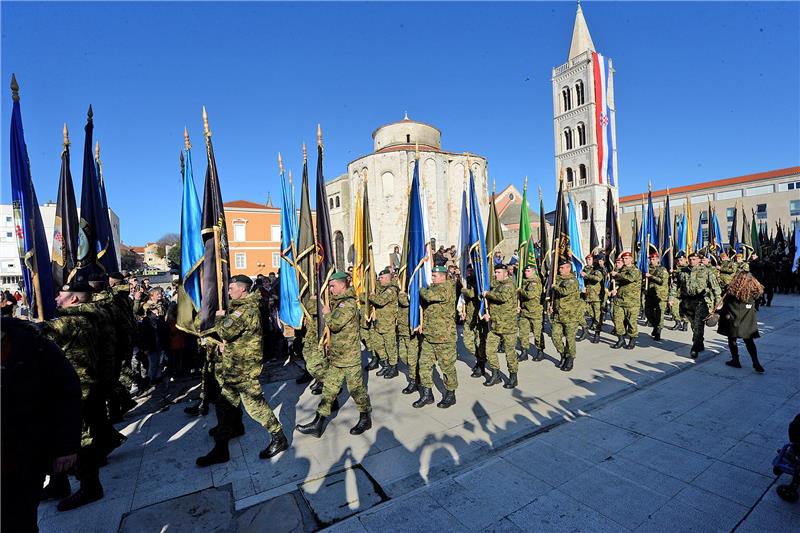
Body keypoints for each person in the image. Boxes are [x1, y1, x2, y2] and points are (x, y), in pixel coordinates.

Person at [40, 282, 119, 511]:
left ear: (73, 299)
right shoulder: (95, 317)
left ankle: (90, 487)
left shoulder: (71, 322)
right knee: (68, 438)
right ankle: (59, 482)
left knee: (79, 441)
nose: (55, 298)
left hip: (76, 392)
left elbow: (35, 334)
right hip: (87, 386)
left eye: (60, 295)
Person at [196, 275, 288, 467]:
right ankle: (225, 441)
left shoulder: (245, 310)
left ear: (243, 289)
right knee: (224, 403)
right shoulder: (240, 307)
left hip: (244, 368)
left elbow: (225, 331)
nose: (228, 291)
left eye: (231, 288)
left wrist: (220, 317)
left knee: (255, 407)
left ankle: (279, 437)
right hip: (234, 365)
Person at [2, 316, 82, 532]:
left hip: (18, 460)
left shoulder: (29, 343)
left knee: (17, 523)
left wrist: (66, 447)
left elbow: (66, 393)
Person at [296, 272, 372, 438]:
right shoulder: (338, 302)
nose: (330, 289)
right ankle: (318, 423)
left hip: (349, 357)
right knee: (329, 390)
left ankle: (365, 417)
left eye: (332, 286)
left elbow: (335, 324)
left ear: (343, 285)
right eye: (329, 286)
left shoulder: (349, 304)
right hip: (337, 357)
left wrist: (326, 313)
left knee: (356, 390)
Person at [414, 265, 458, 408]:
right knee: (424, 365)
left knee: (447, 367)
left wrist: (419, 287)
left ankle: (450, 394)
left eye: (434, 276)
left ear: (443, 276)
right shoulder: (434, 288)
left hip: (444, 338)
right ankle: (427, 395)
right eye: (431, 275)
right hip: (429, 336)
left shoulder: (447, 287)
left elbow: (428, 296)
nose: (431, 278)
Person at [676, 252, 722, 358]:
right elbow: (676, 285)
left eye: (694, 259)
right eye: (690, 259)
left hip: (701, 302)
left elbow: (715, 287)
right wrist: (671, 298)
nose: (692, 261)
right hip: (687, 302)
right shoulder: (683, 271)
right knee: (693, 325)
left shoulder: (706, 271)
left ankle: (695, 347)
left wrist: (718, 301)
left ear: (698, 260)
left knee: (697, 325)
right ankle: (700, 342)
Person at [717, 272, 765, 373]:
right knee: (749, 341)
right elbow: (758, 298)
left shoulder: (730, 289)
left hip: (732, 317)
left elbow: (723, 297)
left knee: (732, 339)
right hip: (747, 318)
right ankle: (755, 362)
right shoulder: (755, 290)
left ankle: (735, 360)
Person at [482, 263, 519, 388]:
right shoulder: (498, 284)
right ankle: (495, 374)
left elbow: (501, 297)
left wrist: (487, 294)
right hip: (495, 325)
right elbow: (490, 285)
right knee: (490, 350)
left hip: (508, 326)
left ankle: (513, 376)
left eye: (498, 273)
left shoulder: (509, 285)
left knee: (510, 353)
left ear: (505, 273)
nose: (496, 275)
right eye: (495, 272)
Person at [550, 260, 582, 372]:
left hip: (570, 316)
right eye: (559, 268)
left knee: (570, 339)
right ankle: (563, 354)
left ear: (568, 268)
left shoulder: (573, 280)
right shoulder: (557, 278)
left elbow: (564, 291)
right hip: (558, 315)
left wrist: (555, 287)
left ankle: (570, 358)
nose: (560, 270)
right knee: (555, 337)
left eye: (563, 268)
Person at [369, 267, 400, 379]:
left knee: (390, 346)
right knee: (378, 344)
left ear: (387, 278)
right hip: (379, 323)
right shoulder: (382, 288)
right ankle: (386, 364)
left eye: (381, 278)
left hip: (388, 324)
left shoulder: (391, 290)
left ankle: (393, 367)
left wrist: (371, 295)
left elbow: (380, 301)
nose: (379, 280)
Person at [610, 251, 642, 350]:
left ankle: (632, 340)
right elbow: (619, 281)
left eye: (627, 258)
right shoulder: (622, 270)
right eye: (624, 259)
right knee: (617, 320)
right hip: (620, 300)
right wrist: (614, 288)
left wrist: (617, 275)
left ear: (631, 259)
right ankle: (621, 339)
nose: (625, 260)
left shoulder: (635, 270)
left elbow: (630, 278)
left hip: (632, 302)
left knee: (631, 322)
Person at [461, 265, 487, 377]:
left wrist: (463, 288)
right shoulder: (467, 283)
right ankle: (479, 359)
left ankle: (481, 365)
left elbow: (471, 294)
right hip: (469, 317)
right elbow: (464, 299)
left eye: (471, 271)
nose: (469, 273)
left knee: (479, 342)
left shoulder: (479, 283)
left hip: (478, 317)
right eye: (468, 271)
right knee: (468, 343)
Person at [518, 264, 545, 360]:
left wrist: (520, 291)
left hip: (535, 312)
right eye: (525, 271)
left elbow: (530, 295)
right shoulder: (525, 282)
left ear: (533, 271)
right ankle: (524, 352)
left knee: (537, 333)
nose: (526, 272)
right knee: (523, 333)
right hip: (525, 311)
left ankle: (540, 351)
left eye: (528, 271)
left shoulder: (535, 282)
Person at [644, 252, 669, 341]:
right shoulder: (647, 269)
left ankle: (658, 331)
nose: (652, 261)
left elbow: (662, 281)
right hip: (649, 295)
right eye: (651, 259)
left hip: (660, 296)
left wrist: (651, 276)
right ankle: (655, 326)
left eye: (654, 259)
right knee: (648, 313)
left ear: (658, 260)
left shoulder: (662, 269)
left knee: (660, 314)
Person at [582, 254, 606, 343]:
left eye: (590, 259)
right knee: (582, 313)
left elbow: (598, 278)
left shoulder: (597, 269)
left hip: (596, 297)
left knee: (597, 317)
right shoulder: (584, 269)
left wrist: (586, 275)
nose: (588, 261)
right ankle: (585, 330)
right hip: (586, 296)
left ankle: (597, 334)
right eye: (587, 259)